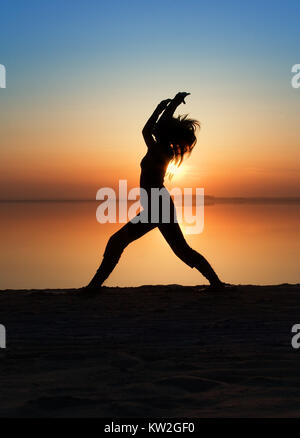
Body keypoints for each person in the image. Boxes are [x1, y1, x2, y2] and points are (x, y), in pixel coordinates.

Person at [84, 92, 224, 292]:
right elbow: (149, 129)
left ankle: (92, 288)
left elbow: (152, 128)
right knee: (179, 249)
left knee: (121, 242)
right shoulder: (158, 148)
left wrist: (168, 107)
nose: (157, 131)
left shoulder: (162, 150)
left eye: (161, 130)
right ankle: (217, 284)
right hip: (155, 205)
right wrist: (166, 106)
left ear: (166, 133)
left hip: (158, 205)